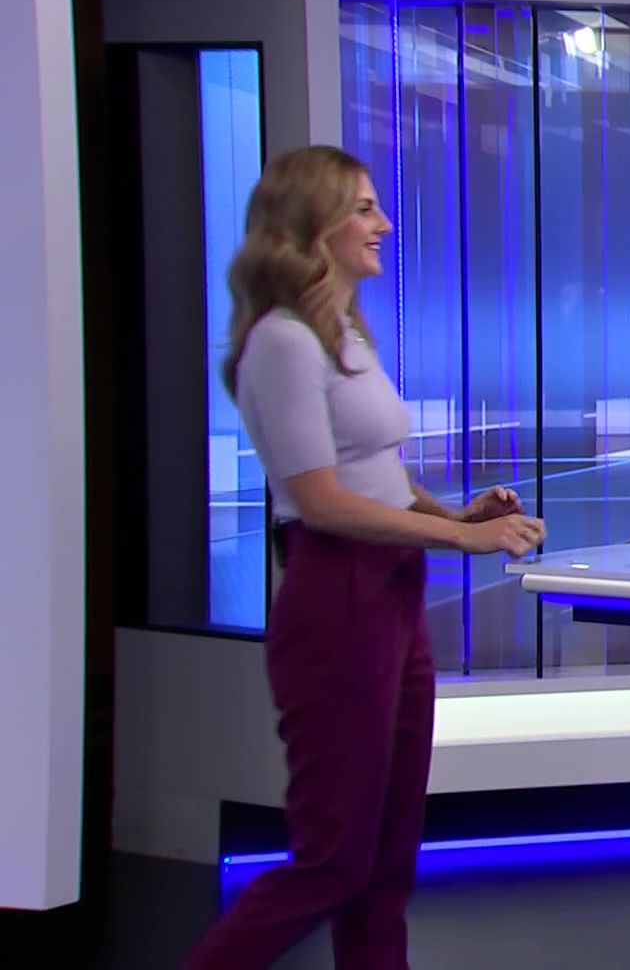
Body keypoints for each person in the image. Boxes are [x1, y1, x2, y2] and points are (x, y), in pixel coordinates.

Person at [186, 145, 547, 970]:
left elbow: (370, 471)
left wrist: (451, 512)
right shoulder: (282, 342)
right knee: (334, 863)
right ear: (311, 223)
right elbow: (319, 500)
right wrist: (462, 539)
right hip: (337, 599)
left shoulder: (342, 332)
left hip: (391, 597)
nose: (383, 223)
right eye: (363, 208)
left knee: (385, 866)